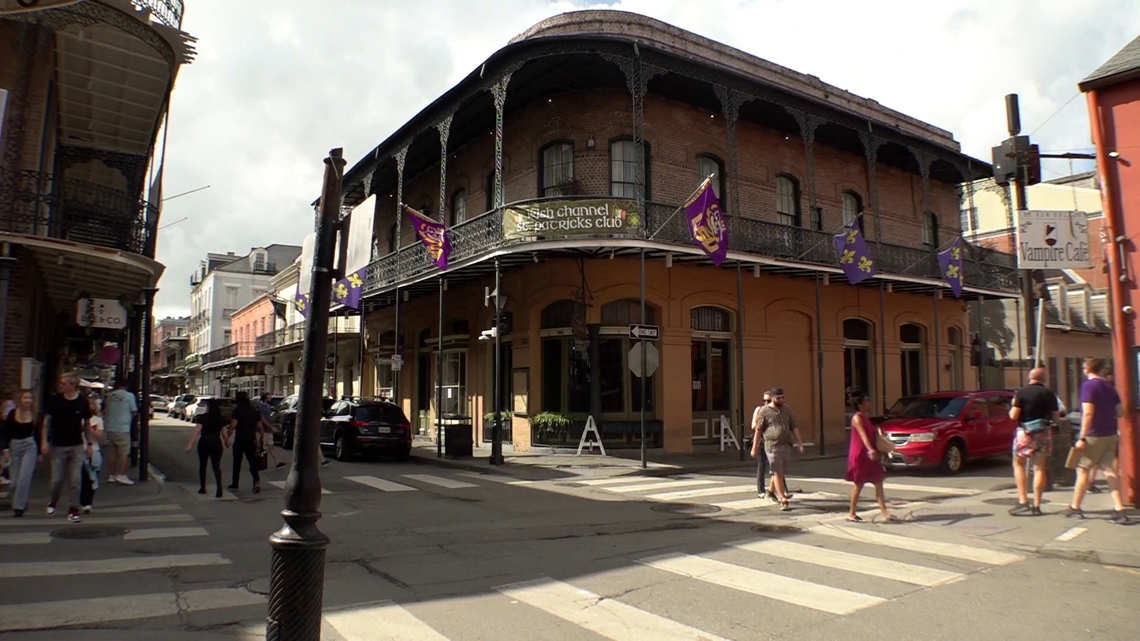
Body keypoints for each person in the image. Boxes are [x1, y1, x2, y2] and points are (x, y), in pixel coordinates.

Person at [1067, 358, 1130, 524]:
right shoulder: (1110, 388)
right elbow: (1120, 412)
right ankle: (1119, 508)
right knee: (1110, 471)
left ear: (1088, 369)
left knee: (1082, 470)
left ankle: (1075, 507)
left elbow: (1088, 413)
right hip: (1110, 434)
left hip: (1093, 435)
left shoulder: (1088, 386)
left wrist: (1082, 437)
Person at [1008, 367, 1064, 516]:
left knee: (1018, 463)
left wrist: (1013, 404)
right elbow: (1056, 418)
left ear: (1029, 378)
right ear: (1044, 379)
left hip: (1025, 432)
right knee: (1040, 468)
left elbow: (1013, 416)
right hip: (1043, 432)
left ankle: (1023, 501)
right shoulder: (1049, 394)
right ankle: (1037, 504)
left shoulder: (1021, 393)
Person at [41, 373, 91, 522]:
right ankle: (53, 500)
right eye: (61, 383)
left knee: (76, 479)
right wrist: (44, 441)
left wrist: (89, 443)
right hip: (58, 444)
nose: (61, 386)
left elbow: (87, 424)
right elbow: (46, 422)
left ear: (72, 385)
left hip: (76, 444)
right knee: (56, 479)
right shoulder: (55, 400)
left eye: (64, 383)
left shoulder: (82, 402)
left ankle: (73, 508)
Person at [845, 390, 895, 523]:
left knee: (878, 482)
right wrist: (871, 450)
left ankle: (885, 513)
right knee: (859, 484)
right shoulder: (857, 418)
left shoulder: (866, 418)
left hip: (871, 455)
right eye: (867, 401)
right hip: (861, 454)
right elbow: (863, 436)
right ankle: (851, 513)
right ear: (860, 404)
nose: (869, 403)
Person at [751, 387, 804, 511]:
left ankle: (770, 491)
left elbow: (794, 426)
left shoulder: (787, 410)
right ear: (773, 398)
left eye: (783, 397)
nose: (781, 400)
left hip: (786, 444)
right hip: (771, 445)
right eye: (778, 398)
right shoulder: (764, 411)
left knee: (780, 471)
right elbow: (758, 430)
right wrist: (754, 447)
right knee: (777, 472)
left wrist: (800, 443)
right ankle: (782, 498)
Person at [1, 389, 38, 516]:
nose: (28, 400)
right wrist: (5, 449)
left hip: (29, 446)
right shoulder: (12, 414)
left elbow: (39, 434)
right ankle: (20, 500)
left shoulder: (35, 414)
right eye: (25, 398)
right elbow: (6, 433)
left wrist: (40, 453)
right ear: (20, 400)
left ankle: (19, 507)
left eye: (30, 398)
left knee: (24, 477)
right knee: (14, 481)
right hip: (14, 445)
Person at [186, 398, 226, 497]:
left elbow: (197, 431)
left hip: (204, 442)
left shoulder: (203, 418)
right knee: (216, 466)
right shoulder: (220, 419)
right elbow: (224, 433)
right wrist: (227, 442)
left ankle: (202, 487)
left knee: (203, 465)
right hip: (216, 442)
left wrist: (190, 444)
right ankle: (219, 487)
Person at [225, 391, 263, 493]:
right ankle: (256, 481)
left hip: (240, 440)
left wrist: (227, 437)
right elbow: (260, 426)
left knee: (237, 462)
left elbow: (233, 426)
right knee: (252, 462)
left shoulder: (237, 411)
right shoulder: (253, 411)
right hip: (251, 439)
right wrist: (261, 438)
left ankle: (235, 483)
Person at [102, 379, 138, 485]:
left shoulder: (110, 396)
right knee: (123, 453)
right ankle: (121, 475)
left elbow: (106, 410)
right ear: (127, 386)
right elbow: (134, 411)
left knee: (112, 453)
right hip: (123, 429)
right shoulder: (129, 396)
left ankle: (111, 475)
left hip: (110, 427)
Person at [79, 396, 105, 514]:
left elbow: (100, 437)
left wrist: (91, 430)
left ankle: (88, 501)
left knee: (92, 476)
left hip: (94, 450)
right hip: (79, 450)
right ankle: (84, 501)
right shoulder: (78, 419)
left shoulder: (97, 420)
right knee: (82, 477)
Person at [257, 393, 286, 470]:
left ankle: (278, 462)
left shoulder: (268, 406)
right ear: (265, 398)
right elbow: (263, 418)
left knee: (271, 447)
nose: (270, 398)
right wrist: (271, 427)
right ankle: (257, 463)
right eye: (269, 396)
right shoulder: (262, 407)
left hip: (268, 430)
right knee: (261, 447)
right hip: (264, 430)